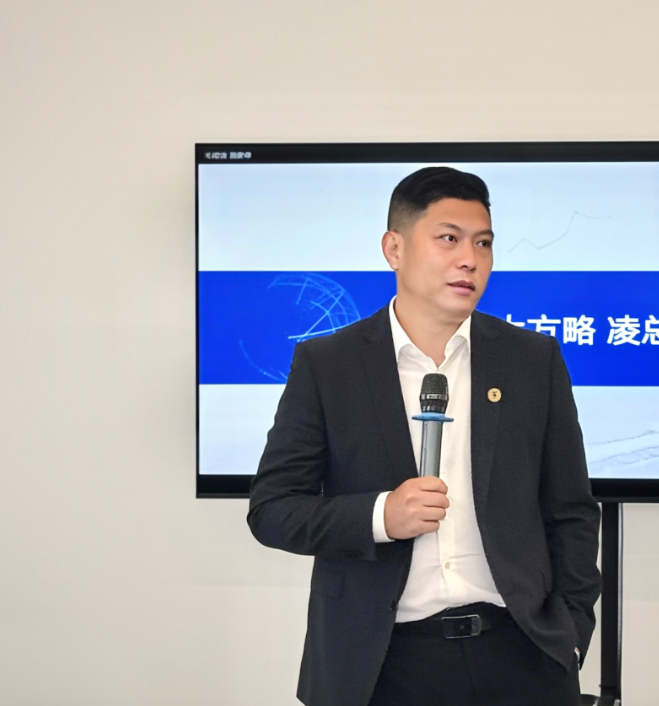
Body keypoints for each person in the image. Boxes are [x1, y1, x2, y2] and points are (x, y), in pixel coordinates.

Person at [247, 166, 601, 706]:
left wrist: (570, 633)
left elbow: (570, 508)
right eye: (449, 239)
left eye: (483, 243)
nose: (470, 260)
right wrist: (381, 516)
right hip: (381, 664)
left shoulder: (531, 359)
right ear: (394, 248)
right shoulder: (328, 364)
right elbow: (272, 510)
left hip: (521, 653)